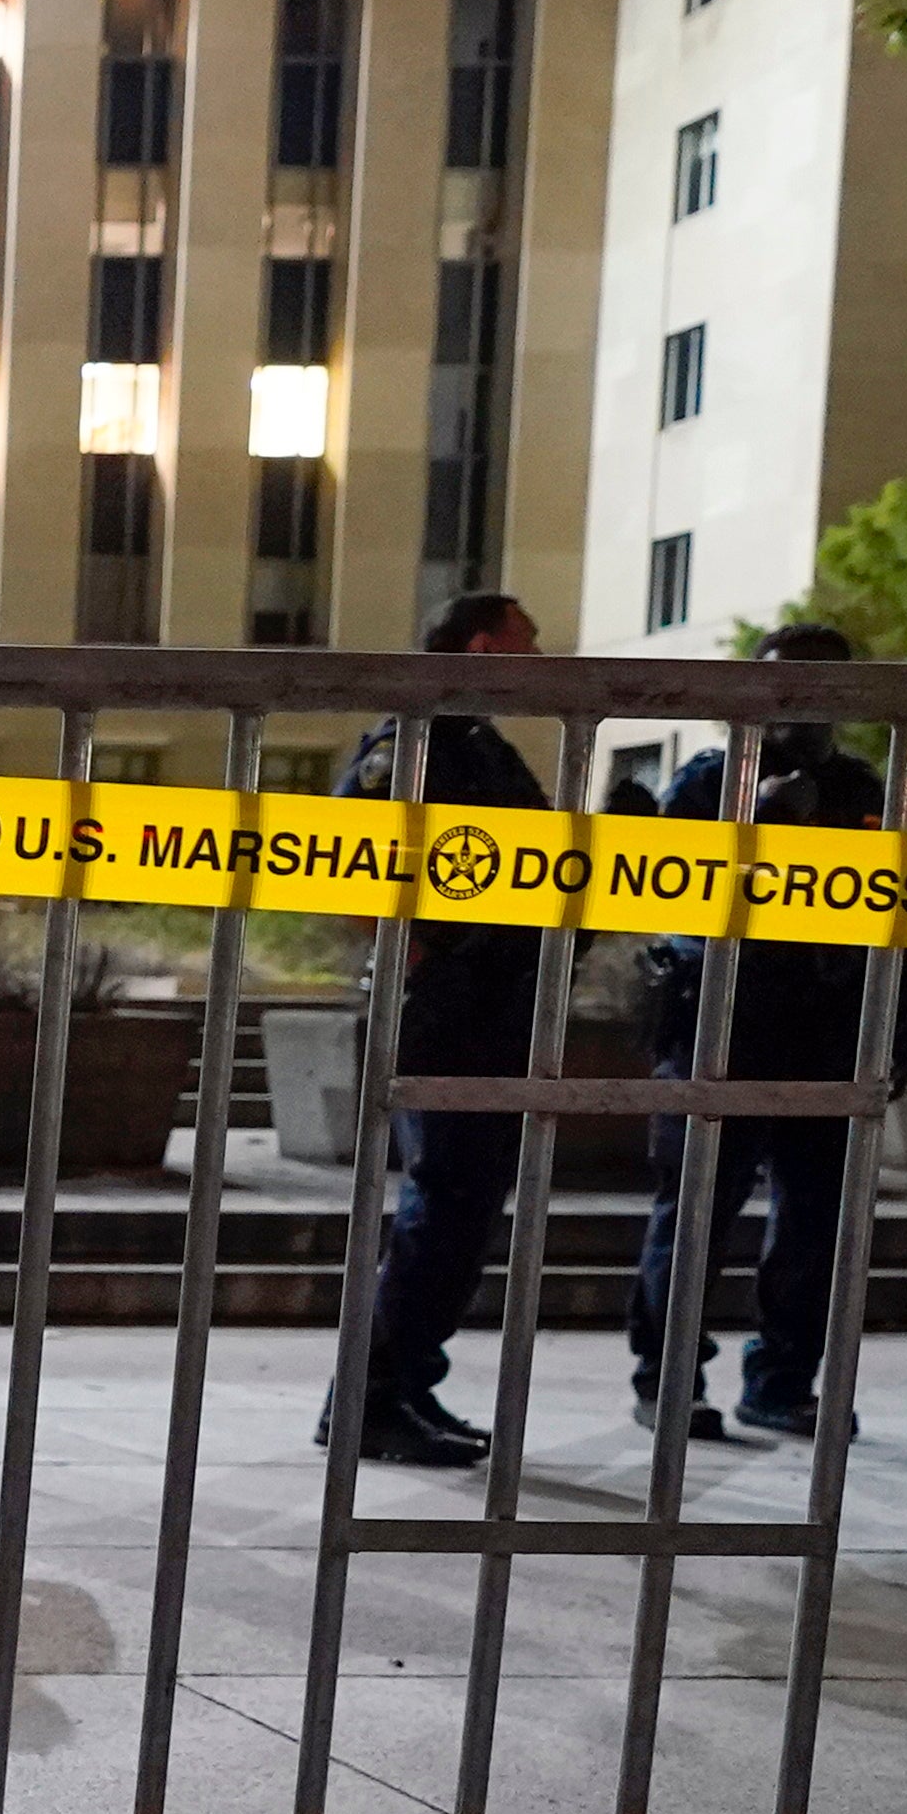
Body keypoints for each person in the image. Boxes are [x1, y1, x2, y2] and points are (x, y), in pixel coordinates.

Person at [622, 623, 907, 1442]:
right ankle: (667, 1382)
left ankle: (783, 1382)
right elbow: (661, 890)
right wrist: (756, 822)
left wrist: (904, 1032)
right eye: (783, 684)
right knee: (693, 1214)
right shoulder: (708, 784)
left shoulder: (869, 790)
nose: (800, 702)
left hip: (828, 1032)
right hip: (720, 1029)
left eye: (819, 684)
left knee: (814, 1225)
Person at [329, 590, 559, 1469]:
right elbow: (353, 858)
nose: (541, 662)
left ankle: (402, 1383)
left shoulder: (476, 744)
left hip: (493, 1006)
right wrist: (418, 959)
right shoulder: (415, 742)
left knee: (463, 1207)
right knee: (444, 1202)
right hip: (447, 1011)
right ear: (483, 644)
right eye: (528, 640)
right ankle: (371, 1397)